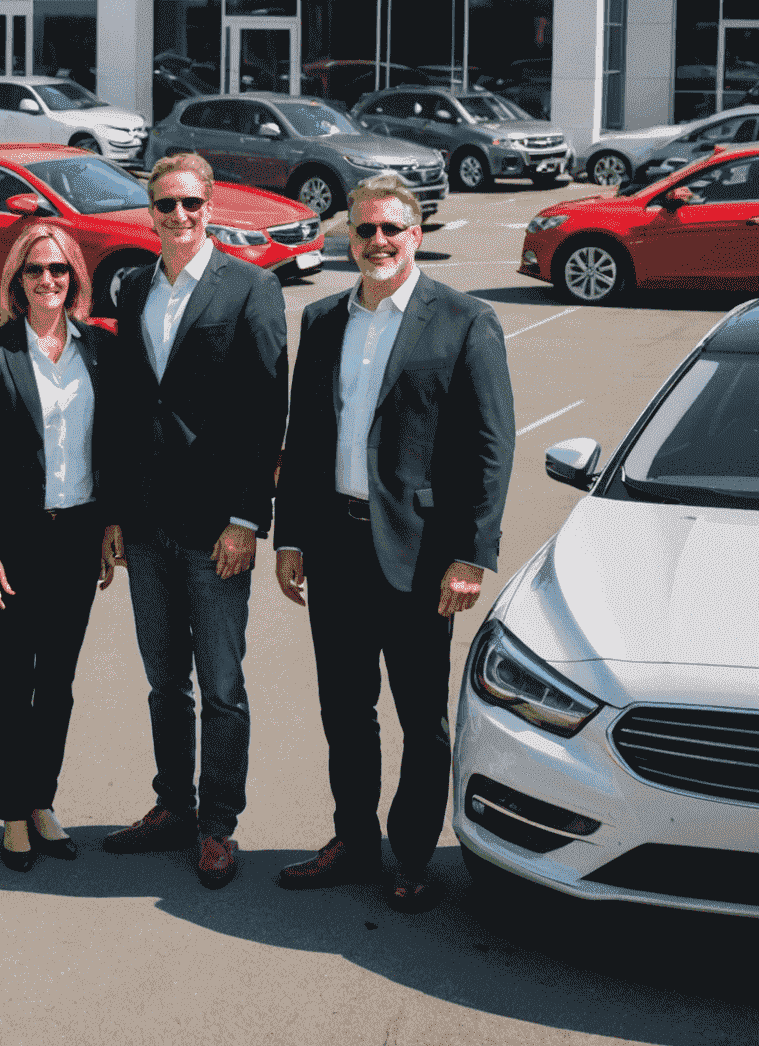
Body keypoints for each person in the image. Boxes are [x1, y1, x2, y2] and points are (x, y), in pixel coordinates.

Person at [273, 173, 514, 912]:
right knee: (345, 710)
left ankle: (411, 855)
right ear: (347, 235)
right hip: (335, 550)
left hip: (419, 556)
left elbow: (490, 446)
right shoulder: (322, 320)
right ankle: (353, 840)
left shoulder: (465, 321)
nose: (376, 242)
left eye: (391, 229)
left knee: (420, 719)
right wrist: (290, 536)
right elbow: (306, 440)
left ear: (416, 236)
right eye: (364, 229)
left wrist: (471, 554)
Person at [99, 153, 289, 890]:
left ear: (211, 208)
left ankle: (217, 826)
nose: (178, 217)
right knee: (162, 683)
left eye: (190, 205)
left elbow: (266, 412)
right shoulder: (134, 286)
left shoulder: (251, 288)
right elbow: (122, 412)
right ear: (149, 211)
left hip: (217, 528)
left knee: (220, 686)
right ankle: (171, 807)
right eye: (165, 205)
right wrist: (114, 514)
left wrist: (247, 517)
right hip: (147, 526)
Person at [0, 223, 117, 873]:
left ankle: (42, 801)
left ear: (74, 278)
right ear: (16, 281)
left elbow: (113, 445)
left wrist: (112, 523)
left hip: (77, 538)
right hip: (15, 543)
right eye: (34, 271)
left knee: (57, 682)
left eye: (58, 270)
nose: (47, 281)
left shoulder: (99, 351)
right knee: (12, 681)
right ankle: (12, 814)